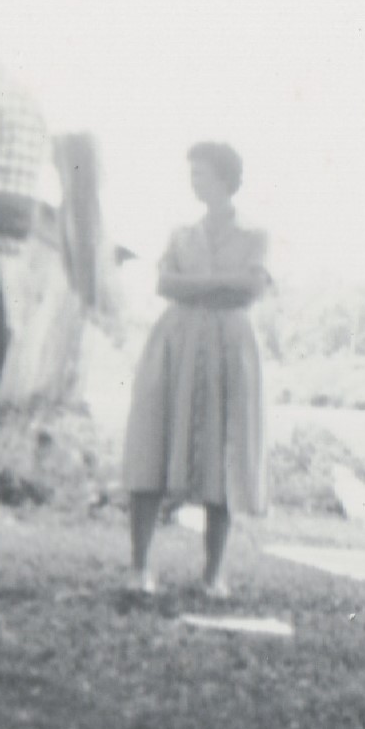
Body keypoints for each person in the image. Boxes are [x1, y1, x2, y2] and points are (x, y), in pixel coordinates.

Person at [121, 141, 271, 597]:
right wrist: (219, 284)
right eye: (192, 175)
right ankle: (140, 568)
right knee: (153, 442)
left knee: (222, 452)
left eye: (202, 174)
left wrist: (196, 286)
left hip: (229, 346)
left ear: (225, 179)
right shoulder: (181, 233)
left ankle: (213, 575)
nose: (194, 183)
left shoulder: (254, 234)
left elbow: (250, 289)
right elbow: (165, 283)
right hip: (177, 342)